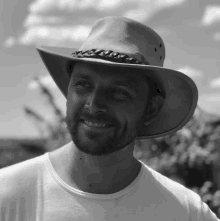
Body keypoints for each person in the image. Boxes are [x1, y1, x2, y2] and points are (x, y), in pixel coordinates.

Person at [0, 16, 218, 221]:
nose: (93, 105)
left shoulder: (185, 212)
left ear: (151, 109)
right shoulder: (7, 195)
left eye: (119, 93)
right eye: (83, 85)